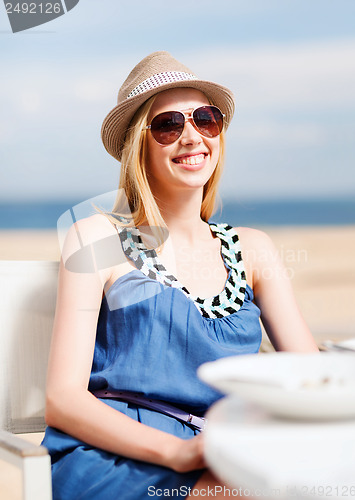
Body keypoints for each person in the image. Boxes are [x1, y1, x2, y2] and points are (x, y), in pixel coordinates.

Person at [42, 51, 318, 499]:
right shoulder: (97, 238)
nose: (191, 137)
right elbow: (63, 398)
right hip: (122, 457)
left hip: (229, 455)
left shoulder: (254, 248)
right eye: (169, 125)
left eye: (205, 120)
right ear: (140, 145)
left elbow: (312, 381)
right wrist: (181, 453)